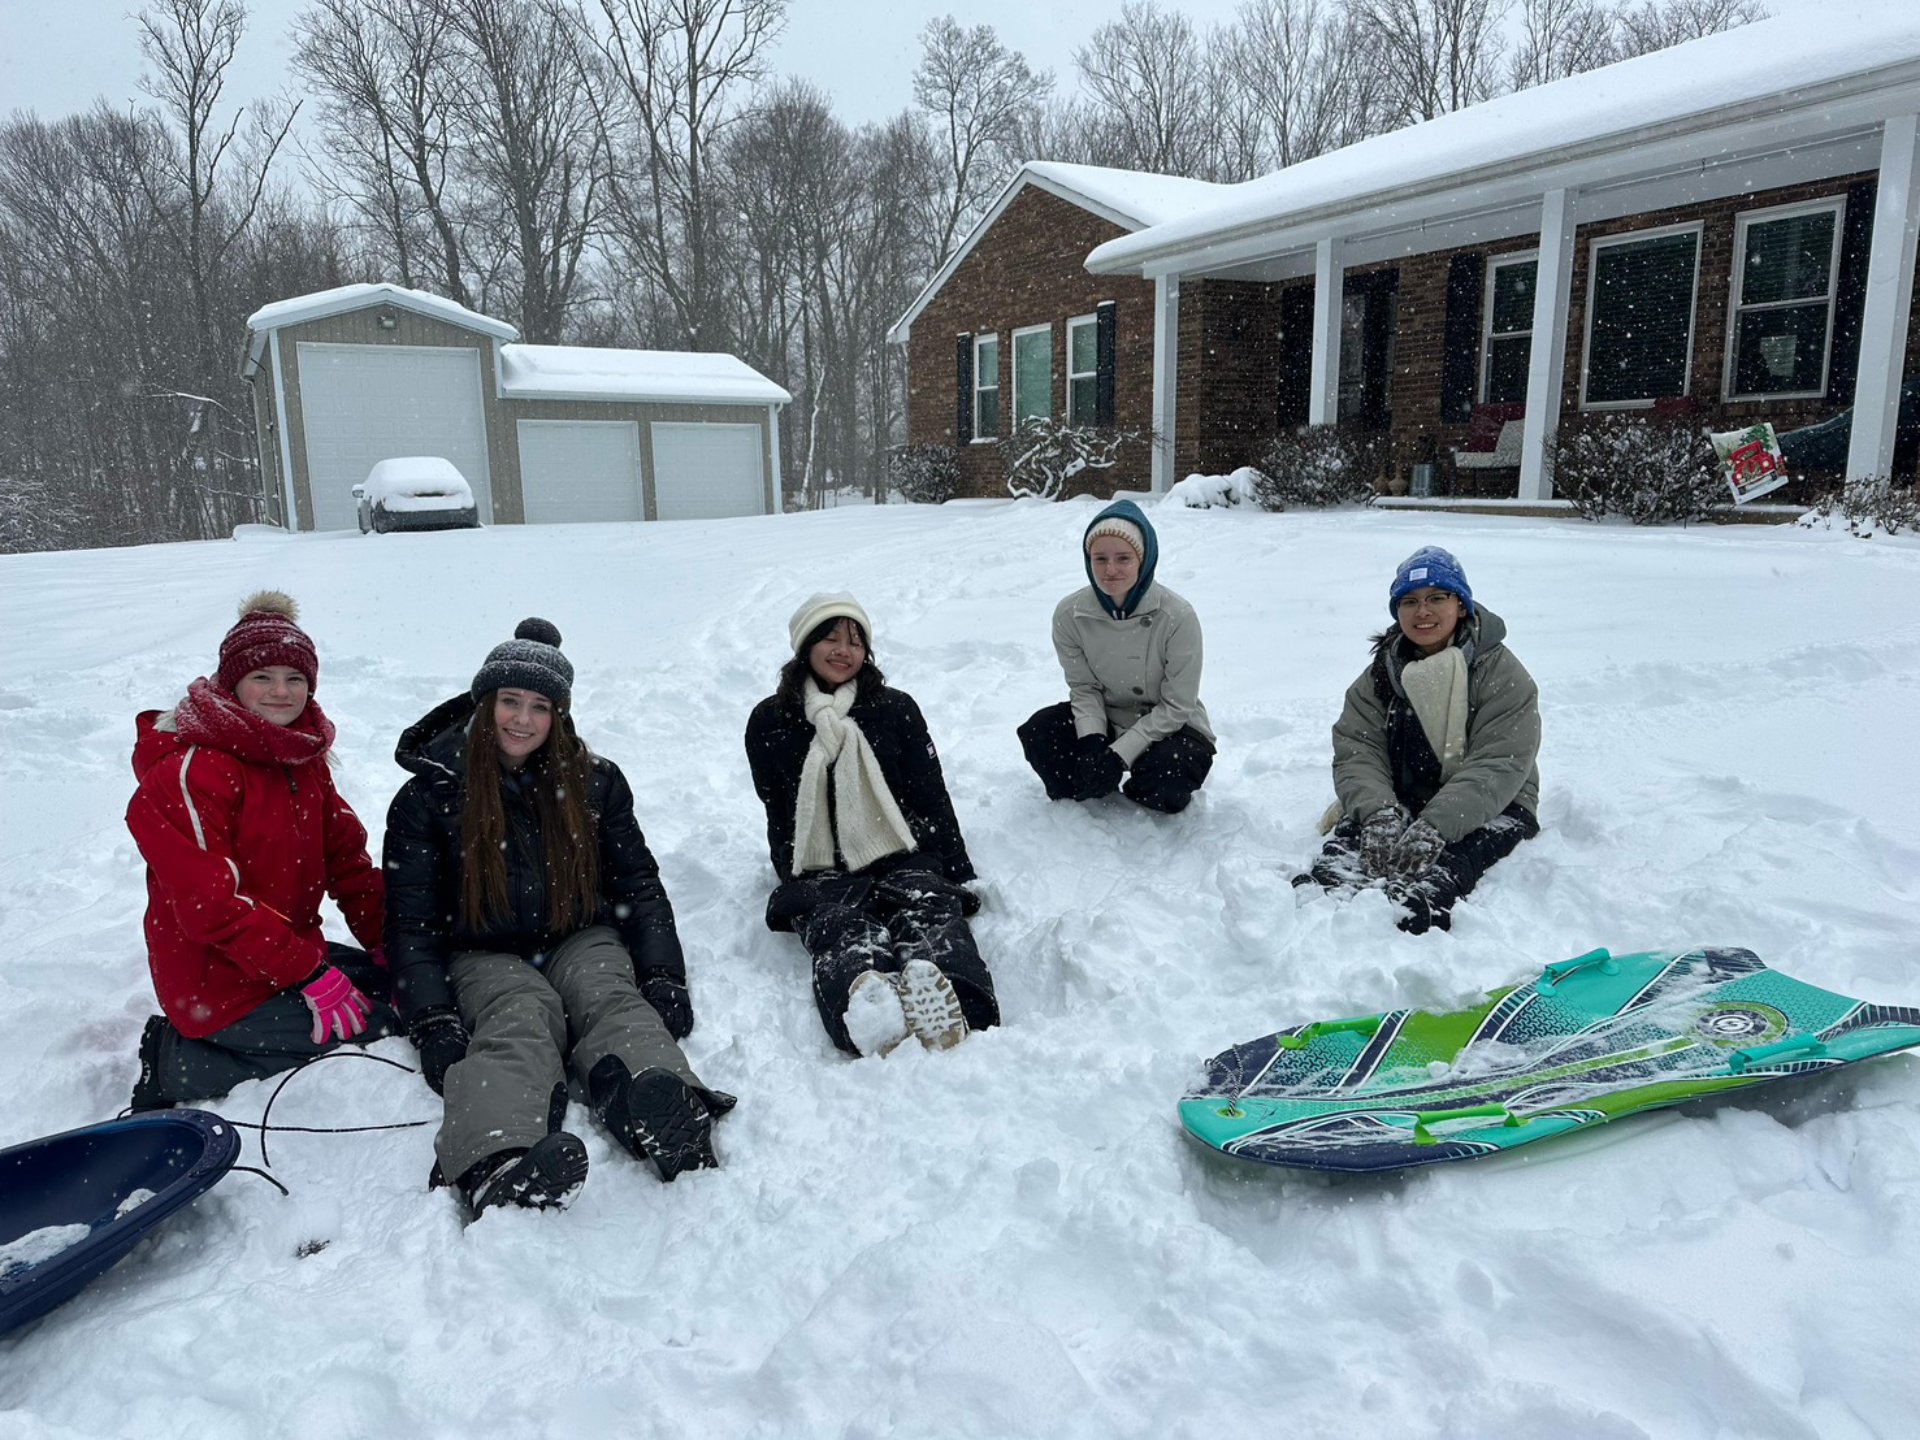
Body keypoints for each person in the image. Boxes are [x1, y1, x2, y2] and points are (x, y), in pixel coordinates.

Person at [384, 619, 731, 1218]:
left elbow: (638, 885)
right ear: (484, 703)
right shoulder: (430, 796)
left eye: (539, 706)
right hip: (481, 951)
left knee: (612, 999)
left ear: (559, 716)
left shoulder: (595, 782)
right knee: (521, 1015)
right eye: (510, 702)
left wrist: (663, 974)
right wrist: (434, 1018)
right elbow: (410, 922)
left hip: (579, 935)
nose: (522, 719)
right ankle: (497, 1160)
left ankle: (662, 1107)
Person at [125, 592, 393, 1111]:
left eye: (295, 679)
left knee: (401, 990)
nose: (280, 692)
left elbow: (348, 864)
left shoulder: (298, 755)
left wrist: (390, 944)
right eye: (263, 677)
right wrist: (312, 976)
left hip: (281, 953)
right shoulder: (194, 772)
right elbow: (211, 907)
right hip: (217, 981)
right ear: (233, 684)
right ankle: (179, 1062)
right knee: (381, 1029)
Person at [744, 594, 1000, 1058]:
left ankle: (959, 1000)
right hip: (822, 865)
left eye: (856, 642)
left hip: (899, 851)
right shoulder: (770, 720)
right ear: (805, 646)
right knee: (841, 931)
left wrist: (956, 869)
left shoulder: (895, 708)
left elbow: (930, 793)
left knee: (928, 914)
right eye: (832, 638)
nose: (845, 651)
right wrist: (797, 872)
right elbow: (777, 808)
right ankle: (867, 1010)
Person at [1297, 546, 1541, 934]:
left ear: (1461, 606)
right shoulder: (1381, 673)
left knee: (1436, 879)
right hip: (1406, 794)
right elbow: (1358, 749)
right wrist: (1378, 812)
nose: (1422, 611)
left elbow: (1501, 761)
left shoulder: (1501, 672)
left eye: (1436, 598)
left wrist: (1437, 825)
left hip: (1494, 804)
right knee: (1343, 863)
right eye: (1409, 602)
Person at [1017, 498, 1216, 814]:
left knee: (1168, 774)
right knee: (1041, 732)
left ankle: (1142, 791)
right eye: (1100, 559)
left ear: (1144, 559)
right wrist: (1092, 740)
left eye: (1123, 558)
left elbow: (1178, 705)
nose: (1110, 570)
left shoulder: (1178, 616)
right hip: (1107, 715)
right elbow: (1084, 689)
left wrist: (1119, 754)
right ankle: (1090, 792)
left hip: (1169, 725)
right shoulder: (1070, 614)